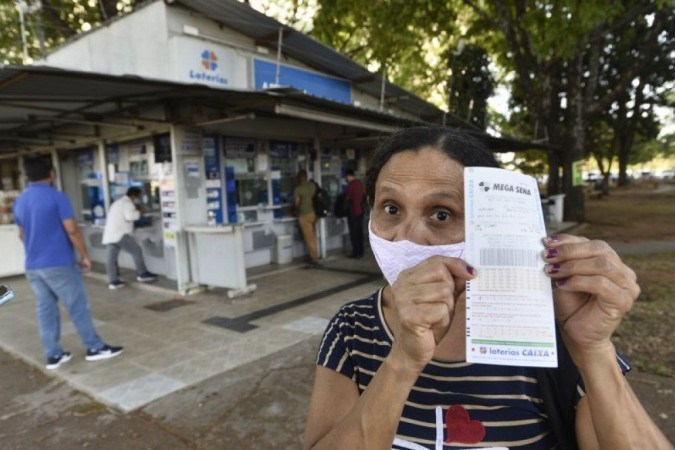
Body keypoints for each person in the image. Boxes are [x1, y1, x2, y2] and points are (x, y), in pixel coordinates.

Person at [304, 126, 671, 449]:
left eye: (441, 214)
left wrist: (592, 350)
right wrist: (402, 361)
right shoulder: (351, 329)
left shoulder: (547, 333)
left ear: (488, 224)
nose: (411, 237)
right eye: (391, 208)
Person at [13, 156, 123, 370]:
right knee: (78, 306)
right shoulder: (57, 197)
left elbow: (21, 234)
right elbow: (71, 229)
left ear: (28, 177)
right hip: (58, 263)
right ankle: (94, 347)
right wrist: (85, 255)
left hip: (33, 266)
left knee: (45, 309)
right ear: (51, 174)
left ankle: (53, 355)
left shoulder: (21, 200)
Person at [102, 186, 157, 289]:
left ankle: (113, 281)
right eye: (138, 197)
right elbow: (130, 217)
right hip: (120, 234)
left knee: (111, 259)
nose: (138, 199)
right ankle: (142, 274)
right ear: (134, 195)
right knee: (136, 250)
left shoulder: (117, 203)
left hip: (111, 234)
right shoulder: (127, 203)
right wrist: (140, 212)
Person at [294, 169, 319, 265]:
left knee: (309, 238)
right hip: (313, 213)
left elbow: (297, 203)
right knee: (313, 236)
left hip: (304, 214)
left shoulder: (298, 188)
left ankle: (314, 258)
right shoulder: (312, 185)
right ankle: (315, 254)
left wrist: (295, 210)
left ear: (299, 177)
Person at [344, 169, 365, 258]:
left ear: (349, 176)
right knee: (360, 232)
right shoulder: (359, 184)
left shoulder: (351, 186)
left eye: (346, 177)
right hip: (360, 212)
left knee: (354, 234)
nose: (346, 179)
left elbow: (347, 198)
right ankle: (361, 251)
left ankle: (355, 253)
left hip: (353, 213)